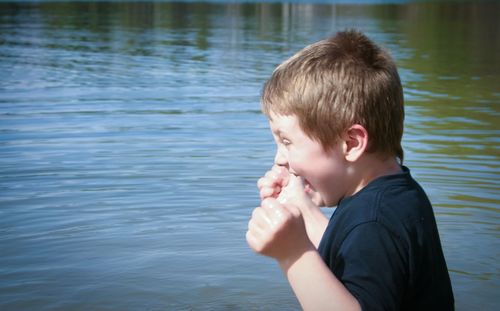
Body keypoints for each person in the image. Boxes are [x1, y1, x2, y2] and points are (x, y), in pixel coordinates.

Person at [246, 30, 454, 310]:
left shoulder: (375, 222)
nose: (280, 159)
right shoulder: (392, 197)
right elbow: (348, 250)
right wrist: (300, 207)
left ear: (351, 143)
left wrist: (292, 254)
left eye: (287, 142)